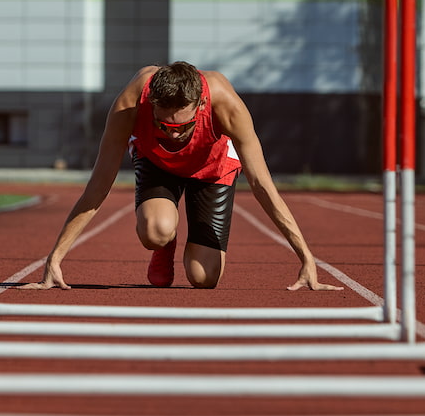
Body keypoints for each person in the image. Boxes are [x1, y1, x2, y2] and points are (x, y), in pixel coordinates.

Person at [21, 61, 343, 291]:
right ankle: (166, 241)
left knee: (203, 279)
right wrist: (55, 259)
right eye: (163, 125)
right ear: (151, 103)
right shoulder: (130, 104)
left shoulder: (226, 105)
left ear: (201, 103)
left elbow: (262, 186)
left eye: (182, 127)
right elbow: (98, 185)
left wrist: (306, 257)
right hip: (157, 163)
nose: (173, 134)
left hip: (213, 170)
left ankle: (183, 239)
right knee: (155, 230)